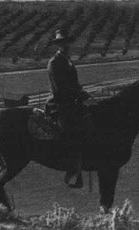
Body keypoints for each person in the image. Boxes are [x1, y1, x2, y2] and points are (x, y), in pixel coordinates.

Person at [46, 29, 90, 189]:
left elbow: (73, 83)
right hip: (60, 104)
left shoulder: (67, 61)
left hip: (72, 103)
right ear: (58, 45)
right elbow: (59, 90)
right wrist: (78, 94)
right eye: (62, 43)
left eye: (67, 43)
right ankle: (72, 172)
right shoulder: (54, 63)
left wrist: (81, 91)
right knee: (71, 133)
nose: (66, 46)